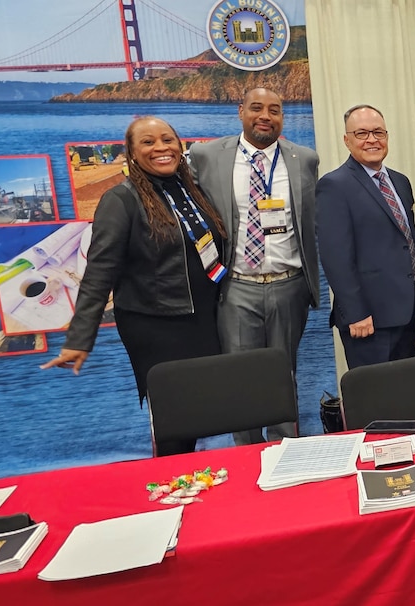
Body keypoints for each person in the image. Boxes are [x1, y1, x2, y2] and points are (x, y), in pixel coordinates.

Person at [43, 117, 228, 456]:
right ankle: (174, 487)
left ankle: (196, 482)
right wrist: (80, 338)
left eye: (168, 139)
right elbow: (100, 273)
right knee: (176, 422)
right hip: (157, 326)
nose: (161, 148)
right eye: (148, 142)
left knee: (200, 413)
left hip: (203, 320)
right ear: (130, 152)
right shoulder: (120, 200)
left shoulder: (192, 191)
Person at [190, 87, 320, 445]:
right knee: (241, 378)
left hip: (289, 284)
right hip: (236, 286)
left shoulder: (304, 158)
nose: (266, 115)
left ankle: (286, 448)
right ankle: (246, 454)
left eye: (275, 110)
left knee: (284, 374)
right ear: (240, 111)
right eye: (257, 108)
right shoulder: (206, 155)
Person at [317, 105, 415, 370]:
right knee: (375, 403)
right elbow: (336, 258)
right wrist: (356, 313)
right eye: (362, 133)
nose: (371, 140)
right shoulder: (334, 186)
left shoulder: (400, 182)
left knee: (406, 399)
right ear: (347, 140)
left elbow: (407, 241)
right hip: (368, 320)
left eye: (378, 132)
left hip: (406, 312)